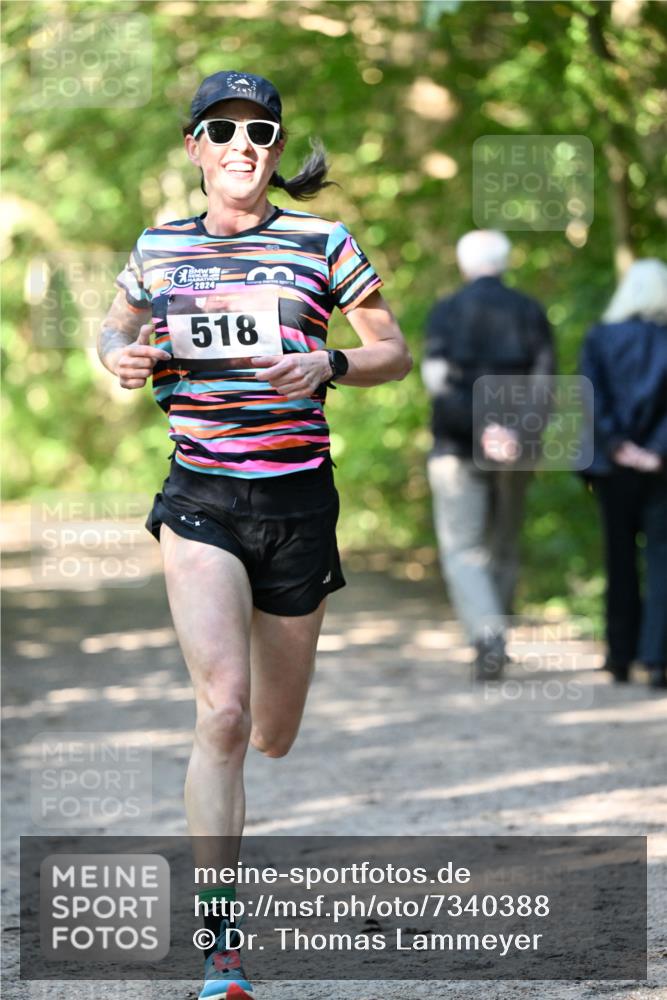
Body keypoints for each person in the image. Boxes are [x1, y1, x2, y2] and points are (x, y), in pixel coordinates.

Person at [97, 70, 411, 1000]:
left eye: (260, 131)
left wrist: (331, 363)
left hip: (299, 504)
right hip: (200, 497)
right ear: (194, 146)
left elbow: (393, 352)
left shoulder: (323, 240)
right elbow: (113, 331)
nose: (243, 145)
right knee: (223, 713)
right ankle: (220, 946)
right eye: (224, 130)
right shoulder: (159, 246)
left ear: (275, 150)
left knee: (271, 732)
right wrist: (121, 356)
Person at [422, 230, 555, 681]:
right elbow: (546, 383)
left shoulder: (445, 312)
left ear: (464, 264)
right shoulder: (530, 310)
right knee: (504, 545)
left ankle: (487, 634)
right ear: (505, 261)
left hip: (456, 447)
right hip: (518, 450)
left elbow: (440, 385)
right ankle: (495, 635)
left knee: (463, 548)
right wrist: (514, 432)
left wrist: (483, 430)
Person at [579, 258, 667, 689]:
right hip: (661, 470)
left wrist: (617, 446)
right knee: (662, 560)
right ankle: (657, 659)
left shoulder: (600, 337)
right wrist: (656, 452)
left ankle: (619, 655)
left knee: (619, 561)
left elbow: (589, 398)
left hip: (611, 469)